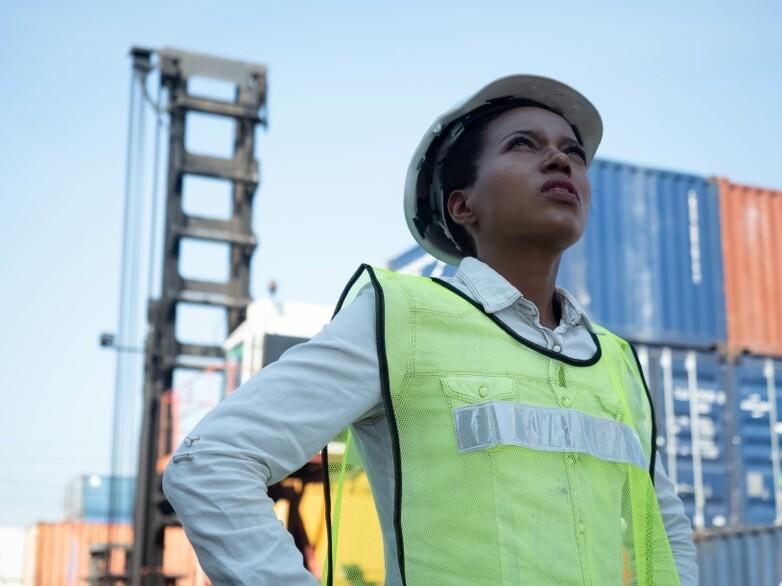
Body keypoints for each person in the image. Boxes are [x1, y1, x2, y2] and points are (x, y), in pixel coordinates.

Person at [163, 75, 698, 585]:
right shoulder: (400, 318)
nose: (560, 158)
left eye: (573, 152)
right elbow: (209, 463)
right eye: (522, 144)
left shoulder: (615, 361)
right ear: (461, 205)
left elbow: (664, 527)